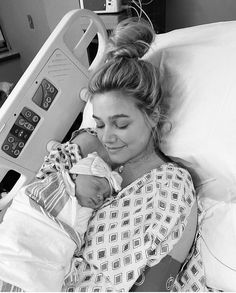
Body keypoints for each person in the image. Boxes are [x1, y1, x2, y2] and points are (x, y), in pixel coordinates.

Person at [61, 18, 198, 292]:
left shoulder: (171, 186)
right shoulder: (87, 155)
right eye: (100, 123)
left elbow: (155, 285)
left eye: (121, 124)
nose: (107, 136)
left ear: (153, 117)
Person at [0, 128, 122, 292]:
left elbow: (74, 244)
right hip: (15, 250)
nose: (100, 197)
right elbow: (64, 154)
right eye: (97, 187)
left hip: (45, 270)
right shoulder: (56, 180)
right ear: (76, 175)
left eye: (105, 196)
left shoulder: (89, 212)